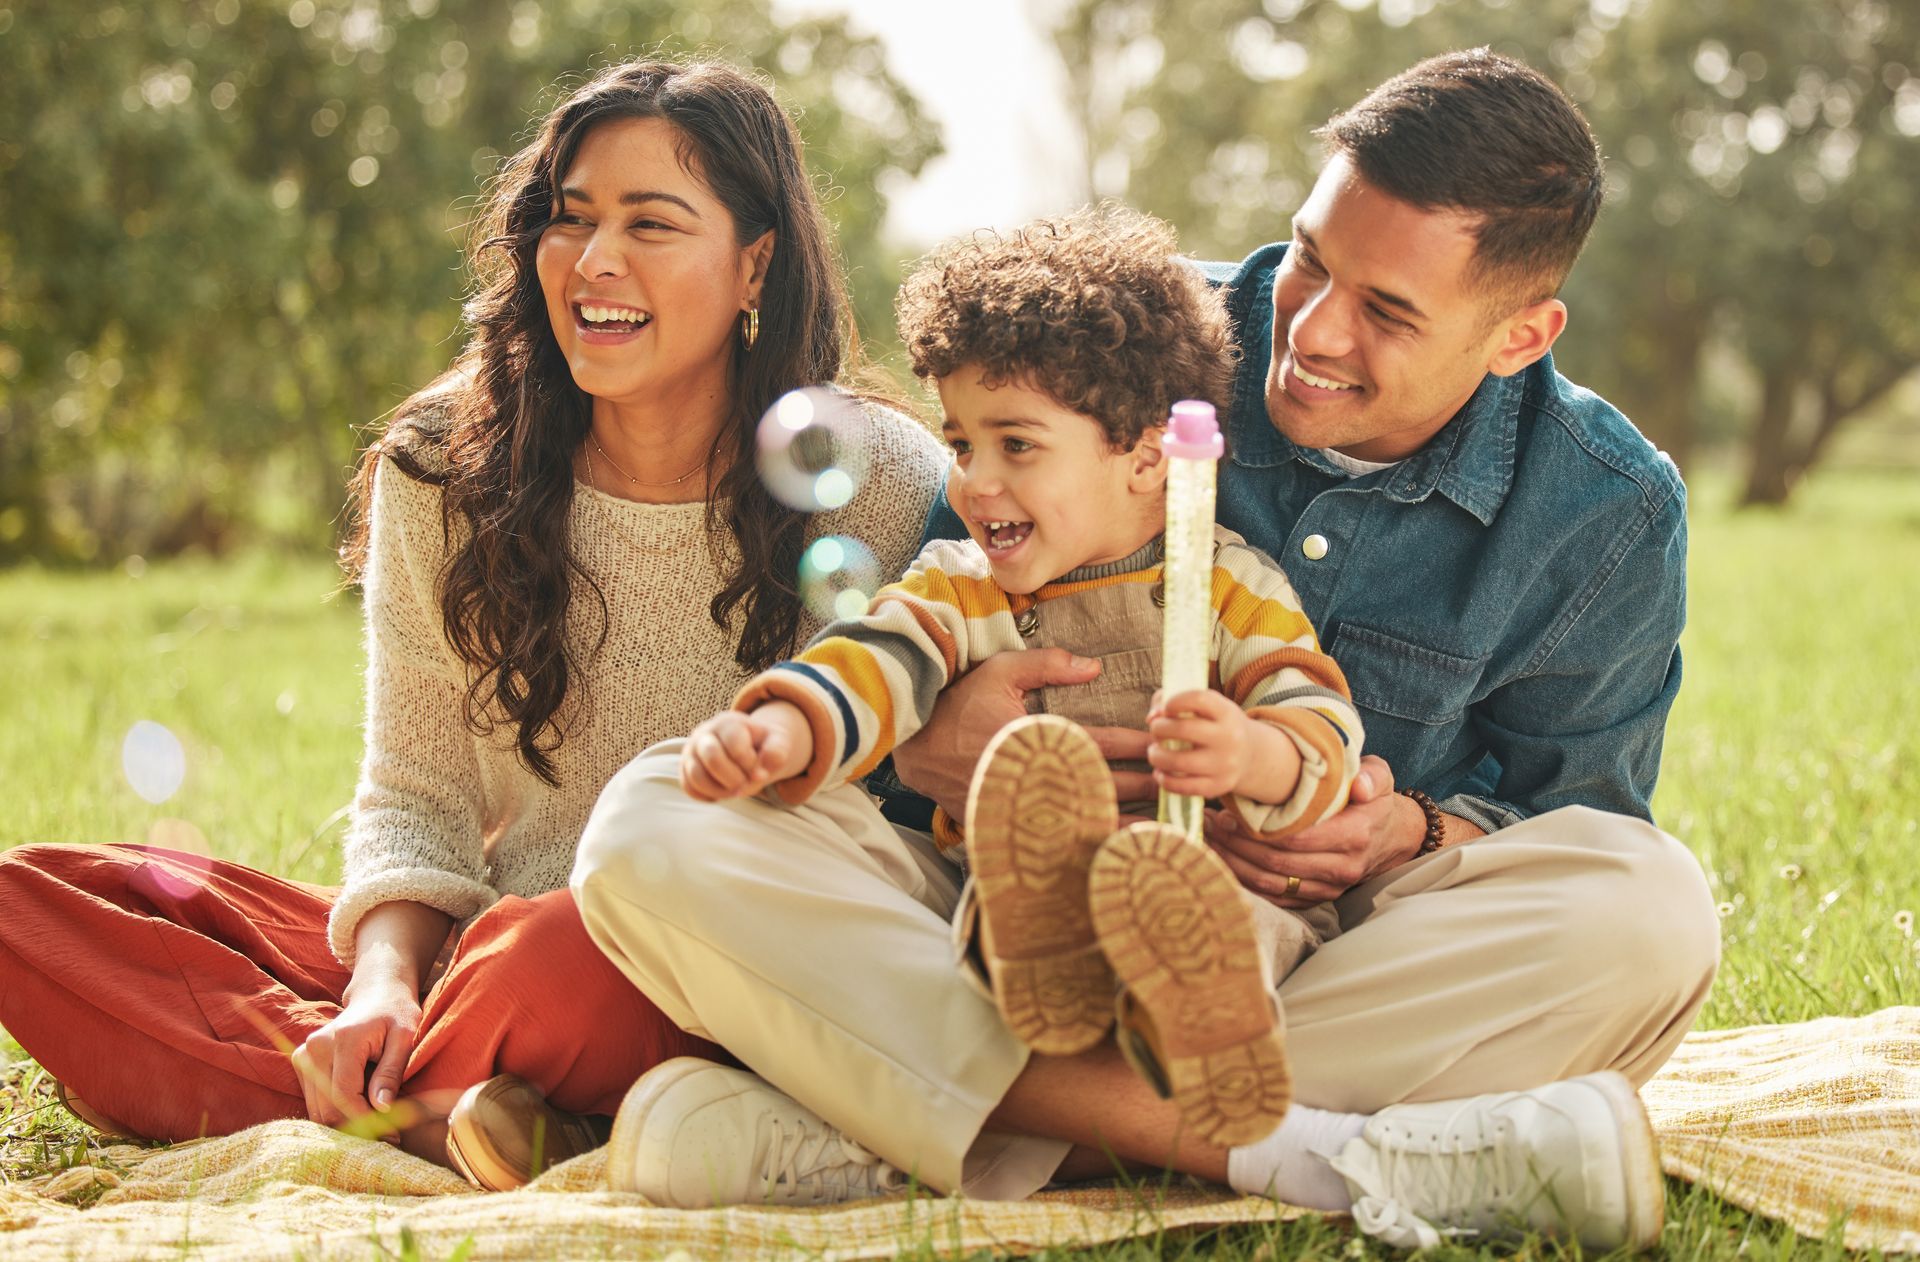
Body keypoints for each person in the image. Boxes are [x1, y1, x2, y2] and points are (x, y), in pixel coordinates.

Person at [572, 49, 1718, 1250]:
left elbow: (1565, 809)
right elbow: (921, 621)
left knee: (1649, 911)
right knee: (652, 823)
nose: (1312, 327)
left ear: (1520, 335)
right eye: (1313, 257)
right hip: (1003, 925)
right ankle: (1331, 1156)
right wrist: (927, 742)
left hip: (1300, 945)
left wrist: (1400, 826)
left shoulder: (1605, 509)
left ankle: (878, 1127)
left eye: (1386, 310)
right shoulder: (1112, 338)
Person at [0, 58, 946, 1191]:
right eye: (570, 217)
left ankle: (362, 1095)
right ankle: (472, 1104)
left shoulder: (875, 476)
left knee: (542, 955)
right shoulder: (447, 467)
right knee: (33, 905)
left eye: (652, 222)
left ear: (755, 264)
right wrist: (381, 985)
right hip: (478, 949)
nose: (595, 260)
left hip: (713, 967)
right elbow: (415, 793)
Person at [667, 208, 1365, 1148]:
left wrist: (1253, 755)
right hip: (1001, 902)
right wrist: (786, 728)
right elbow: (880, 658)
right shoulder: (960, 587)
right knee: (683, 817)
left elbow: (1315, 713)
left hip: (1208, 890)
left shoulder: (1227, 585)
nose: (974, 481)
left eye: (1017, 445)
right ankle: (1046, 966)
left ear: (1149, 460)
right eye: (960, 445)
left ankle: (1194, 1029)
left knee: (1220, 918)